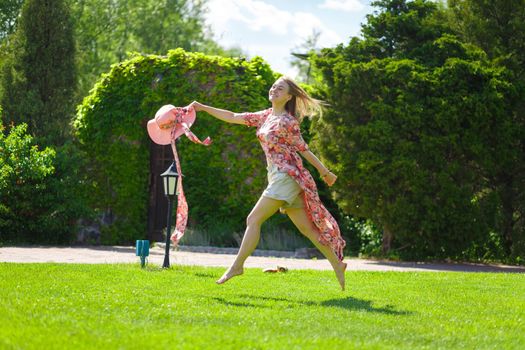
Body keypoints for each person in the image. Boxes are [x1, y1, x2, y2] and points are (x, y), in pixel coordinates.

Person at [189, 76, 347, 290]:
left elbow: (304, 149)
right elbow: (233, 116)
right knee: (308, 229)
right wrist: (202, 107)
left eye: (280, 88)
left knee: (253, 219)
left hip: (287, 176)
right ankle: (337, 264)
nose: (274, 89)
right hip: (277, 176)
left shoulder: (288, 121)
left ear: (289, 96)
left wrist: (325, 172)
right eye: (273, 86)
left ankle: (237, 266)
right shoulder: (265, 116)